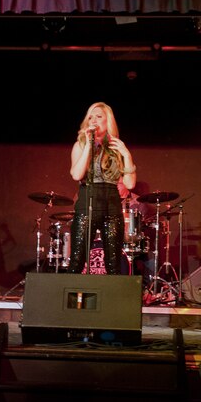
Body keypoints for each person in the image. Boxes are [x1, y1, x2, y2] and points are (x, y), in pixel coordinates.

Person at [67, 102, 137, 275]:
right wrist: (89, 144)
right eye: (91, 117)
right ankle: (73, 300)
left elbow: (129, 184)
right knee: (77, 261)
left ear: (108, 121)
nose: (94, 120)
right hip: (87, 204)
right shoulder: (81, 145)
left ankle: (111, 301)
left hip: (112, 206)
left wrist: (127, 155)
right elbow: (76, 175)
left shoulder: (117, 148)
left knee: (113, 264)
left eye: (99, 117)